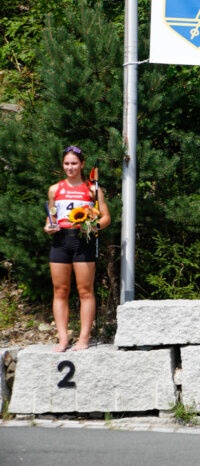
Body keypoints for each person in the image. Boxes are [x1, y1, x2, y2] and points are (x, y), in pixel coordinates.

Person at [45, 146, 110, 352]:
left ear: (82, 164)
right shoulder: (55, 189)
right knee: (60, 291)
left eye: (74, 163)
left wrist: (92, 226)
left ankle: (84, 338)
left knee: (85, 291)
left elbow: (106, 218)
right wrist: (48, 225)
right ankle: (63, 338)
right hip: (61, 241)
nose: (70, 167)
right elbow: (52, 215)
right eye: (66, 163)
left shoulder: (93, 189)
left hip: (83, 240)